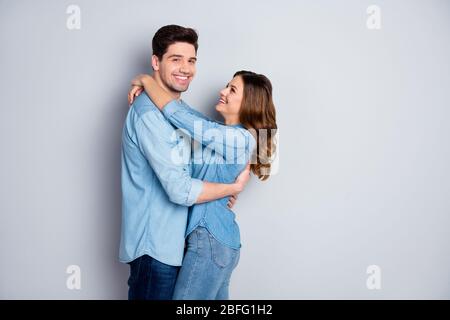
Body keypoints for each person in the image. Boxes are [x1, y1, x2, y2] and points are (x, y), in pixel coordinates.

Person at [120, 25, 251, 300]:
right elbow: (179, 190)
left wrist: (145, 79)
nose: (185, 68)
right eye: (175, 59)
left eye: (191, 60)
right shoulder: (149, 115)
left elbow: (194, 125)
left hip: (173, 247)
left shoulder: (173, 113)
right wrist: (230, 188)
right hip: (154, 251)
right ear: (156, 62)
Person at [128, 69, 277, 299]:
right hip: (218, 242)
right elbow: (190, 115)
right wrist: (153, 90)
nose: (223, 91)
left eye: (232, 89)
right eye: (227, 85)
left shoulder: (240, 139)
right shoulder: (225, 134)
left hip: (209, 241)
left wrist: (147, 80)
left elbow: (181, 117)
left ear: (248, 102)